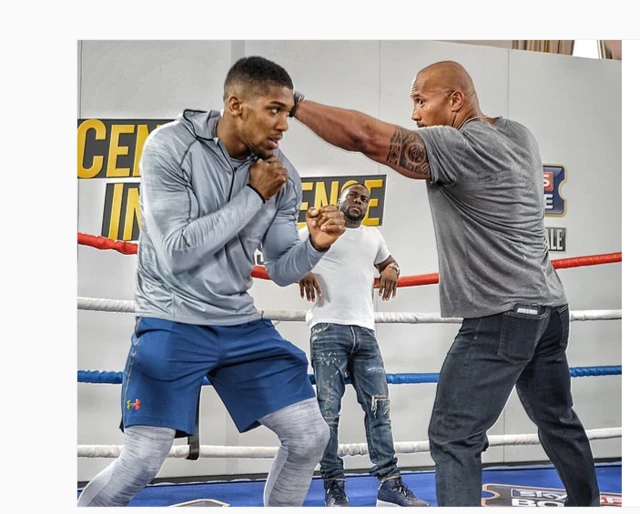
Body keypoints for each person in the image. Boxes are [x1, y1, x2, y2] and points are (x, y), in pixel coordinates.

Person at [286, 60, 600, 507]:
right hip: (549, 309)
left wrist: (296, 105)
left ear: (456, 100)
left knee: (453, 436)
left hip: (501, 315)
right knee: (557, 418)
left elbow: (368, 139)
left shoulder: (462, 144)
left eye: (420, 100)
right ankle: (586, 504)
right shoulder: (518, 134)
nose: (415, 114)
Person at [77, 56, 348, 507]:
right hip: (171, 318)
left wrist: (315, 245)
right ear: (236, 105)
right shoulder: (170, 148)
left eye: (288, 113)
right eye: (274, 110)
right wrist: (253, 194)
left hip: (237, 322)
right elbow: (178, 251)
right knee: (144, 458)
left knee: (308, 436)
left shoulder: (284, 175)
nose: (284, 124)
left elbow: (282, 268)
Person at [297, 183, 430, 507]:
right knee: (328, 413)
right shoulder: (315, 228)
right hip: (328, 328)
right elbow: (284, 257)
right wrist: (303, 268)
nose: (359, 201)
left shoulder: (373, 236)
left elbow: (388, 262)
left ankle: (390, 483)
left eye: (364, 199)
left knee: (379, 409)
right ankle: (334, 487)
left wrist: (392, 269)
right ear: (339, 200)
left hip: (365, 333)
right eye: (353, 196)